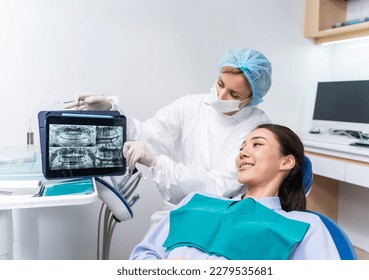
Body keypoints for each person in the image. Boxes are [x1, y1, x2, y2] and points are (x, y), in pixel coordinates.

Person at [64, 48, 272, 222]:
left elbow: (220, 186)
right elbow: (147, 134)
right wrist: (110, 111)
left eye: (234, 94)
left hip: (221, 216)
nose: (221, 96)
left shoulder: (257, 130)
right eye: (220, 84)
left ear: (252, 98)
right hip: (176, 210)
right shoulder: (192, 106)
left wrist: (157, 164)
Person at [129, 124, 340, 260]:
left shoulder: (303, 226)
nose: (243, 153)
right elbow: (143, 255)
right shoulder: (194, 202)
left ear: (286, 161)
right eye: (241, 148)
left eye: (257, 144)